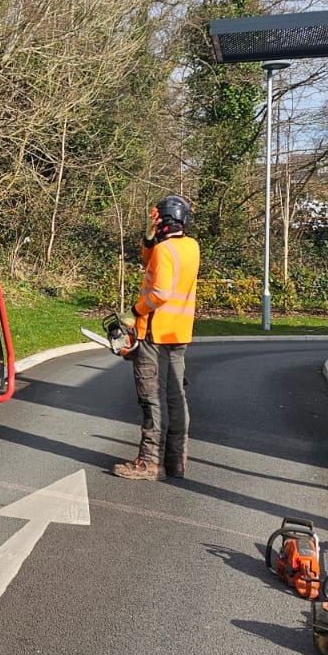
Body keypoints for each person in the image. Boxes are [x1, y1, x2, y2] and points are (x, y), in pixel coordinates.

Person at [113, 194, 200, 481]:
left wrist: (133, 312)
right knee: (176, 398)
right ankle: (176, 461)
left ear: (162, 221)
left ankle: (149, 462)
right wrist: (149, 241)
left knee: (152, 398)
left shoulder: (166, 251)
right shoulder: (190, 247)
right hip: (179, 333)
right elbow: (153, 261)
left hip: (154, 331)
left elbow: (160, 292)